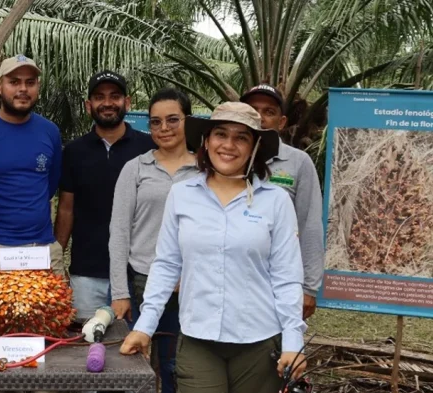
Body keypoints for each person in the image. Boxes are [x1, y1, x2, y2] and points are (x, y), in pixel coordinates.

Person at [120, 102, 307, 392]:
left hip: (259, 341)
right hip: (198, 339)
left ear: (255, 147)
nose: (229, 145)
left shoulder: (276, 201)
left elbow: (287, 276)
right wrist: (145, 326)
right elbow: (167, 265)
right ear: (206, 141)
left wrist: (293, 342)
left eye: (241, 137)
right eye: (221, 134)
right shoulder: (182, 195)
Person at [108, 88, 198, 393]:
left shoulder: (206, 169)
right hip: (143, 281)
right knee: (140, 361)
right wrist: (120, 292)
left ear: (188, 120)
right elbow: (119, 233)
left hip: (193, 284)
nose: (164, 128)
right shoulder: (135, 168)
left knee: (179, 363)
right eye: (156, 122)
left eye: (173, 120)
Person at [55, 70, 156, 322]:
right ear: (88, 105)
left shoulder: (149, 148)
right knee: (87, 339)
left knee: (136, 340)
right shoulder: (74, 152)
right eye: (99, 97)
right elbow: (66, 209)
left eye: (115, 96)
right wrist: (56, 260)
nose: (108, 103)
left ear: (127, 102)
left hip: (139, 273)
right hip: (88, 272)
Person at [0, 55, 64, 276]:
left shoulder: (50, 132)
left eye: (30, 82)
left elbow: (50, 185)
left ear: (38, 86)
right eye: (14, 82)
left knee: (56, 300)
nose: (23, 89)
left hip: (43, 246)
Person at [240, 84, 324, 320]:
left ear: (282, 121)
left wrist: (309, 287)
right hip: (234, 276)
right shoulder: (225, 158)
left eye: (269, 112)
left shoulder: (298, 162)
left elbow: (309, 224)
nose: (259, 118)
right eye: (252, 110)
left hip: (279, 280)